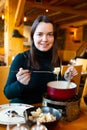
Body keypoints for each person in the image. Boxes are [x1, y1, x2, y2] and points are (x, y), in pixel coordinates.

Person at [4, 15, 78, 104]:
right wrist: (20, 83)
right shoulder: (21, 58)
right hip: (22, 108)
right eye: (40, 34)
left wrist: (65, 78)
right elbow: (7, 93)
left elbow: (55, 84)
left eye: (50, 34)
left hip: (46, 109)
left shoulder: (55, 58)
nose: (45, 39)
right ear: (33, 36)